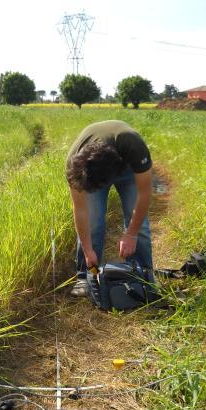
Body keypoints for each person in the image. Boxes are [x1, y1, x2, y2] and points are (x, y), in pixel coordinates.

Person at [65, 120, 153, 297]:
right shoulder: (76, 166)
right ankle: (86, 275)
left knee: (139, 227)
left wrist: (131, 233)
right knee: (93, 223)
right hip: (94, 165)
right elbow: (81, 211)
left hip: (127, 165)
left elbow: (144, 194)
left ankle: (142, 277)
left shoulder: (133, 145)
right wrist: (88, 250)